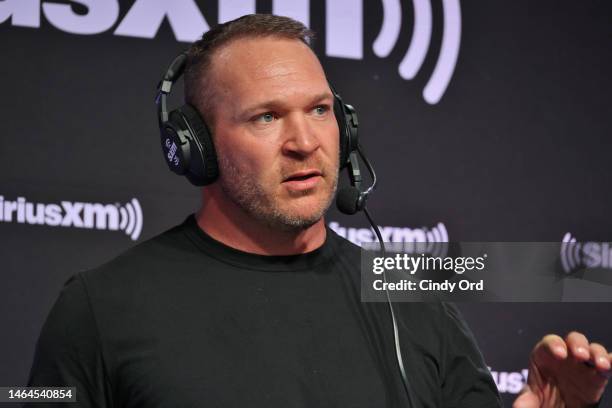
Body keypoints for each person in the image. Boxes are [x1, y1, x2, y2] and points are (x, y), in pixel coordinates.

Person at [27, 14, 610, 407]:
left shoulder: (409, 296)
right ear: (196, 146)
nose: (305, 141)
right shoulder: (101, 305)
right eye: (266, 116)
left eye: (321, 110)